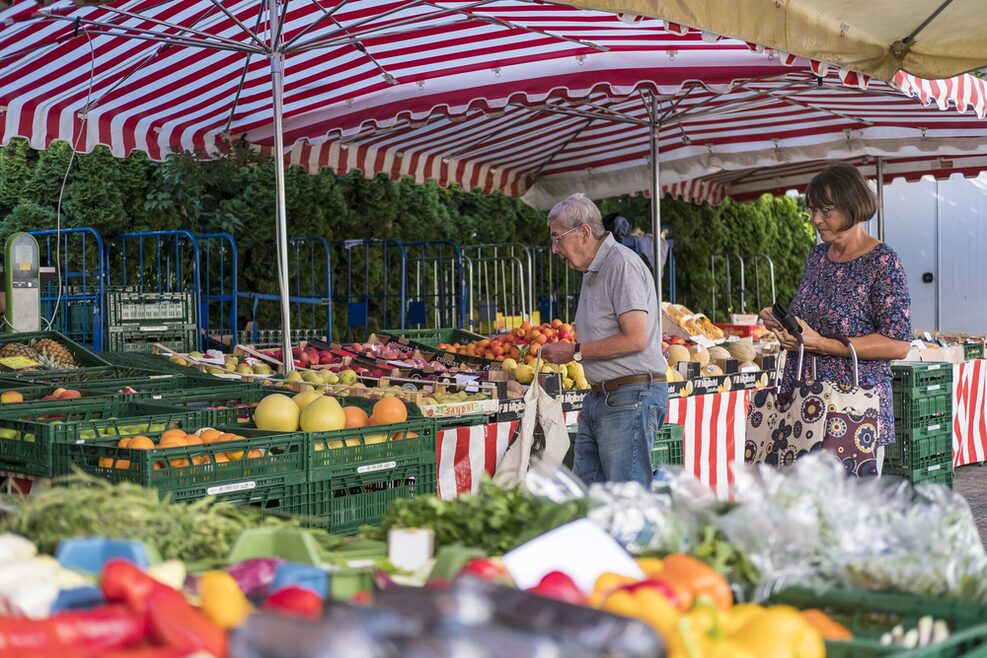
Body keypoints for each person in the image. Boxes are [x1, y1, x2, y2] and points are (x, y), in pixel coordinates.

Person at [759, 162, 912, 475]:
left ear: (853, 207)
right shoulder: (817, 257)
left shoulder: (883, 262)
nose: (816, 220)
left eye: (826, 211)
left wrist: (826, 345)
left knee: (845, 513)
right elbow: (810, 319)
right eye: (812, 210)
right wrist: (784, 322)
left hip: (851, 409)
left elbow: (898, 344)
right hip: (803, 403)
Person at [540, 194, 668, 486]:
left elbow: (635, 338)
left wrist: (574, 351)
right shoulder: (594, 269)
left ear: (584, 232)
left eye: (558, 238)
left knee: (626, 501)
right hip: (604, 397)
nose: (555, 249)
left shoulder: (621, 264)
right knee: (590, 497)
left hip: (629, 396)